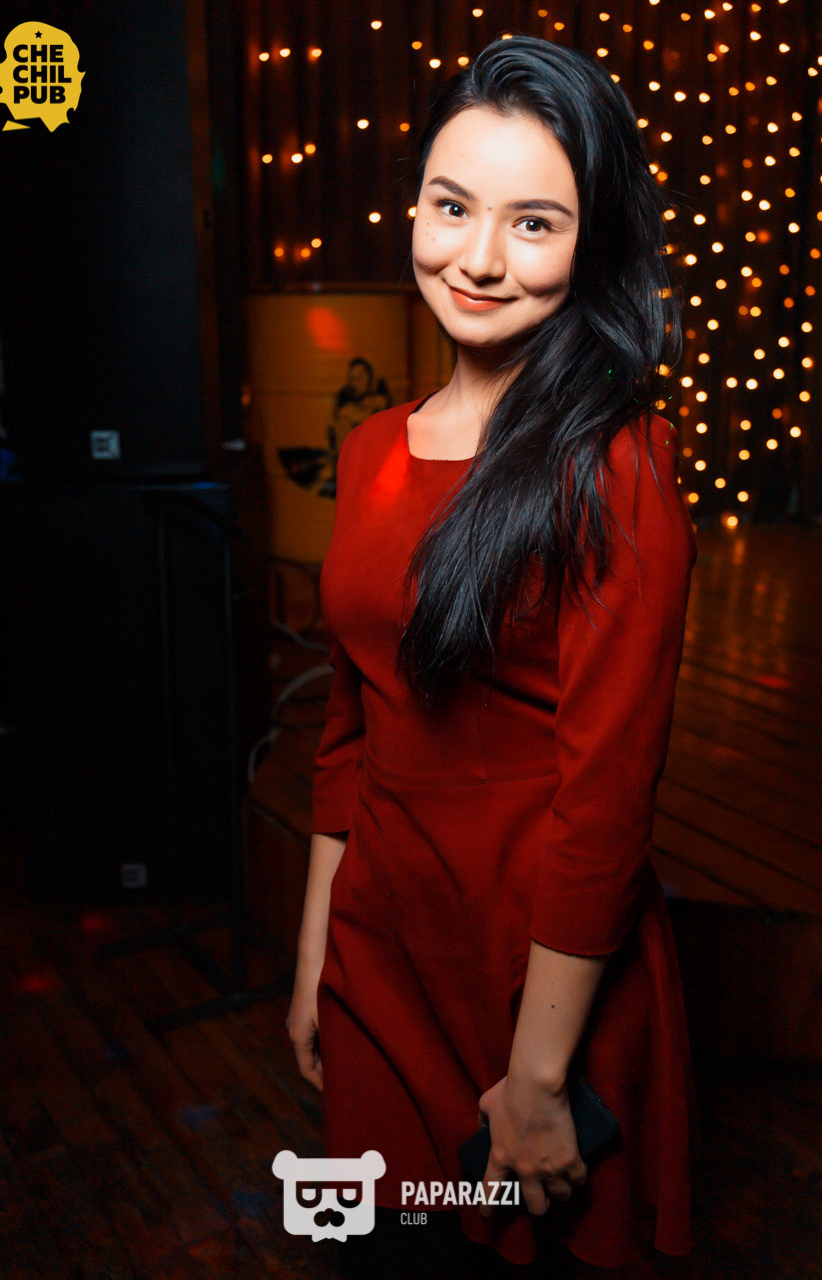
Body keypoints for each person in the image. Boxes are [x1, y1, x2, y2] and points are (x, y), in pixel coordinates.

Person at [286, 34, 699, 1279]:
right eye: (452, 205)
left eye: (533, 224)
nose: (475, 258)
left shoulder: (616, 468)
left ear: (591, 243)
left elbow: (606, 796)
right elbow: (350, 732)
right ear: (413, 204)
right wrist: (315, 964)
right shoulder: (371, 450)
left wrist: (537, 1076)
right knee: (382, 1249)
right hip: (380, 951)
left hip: (535, 979)